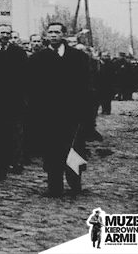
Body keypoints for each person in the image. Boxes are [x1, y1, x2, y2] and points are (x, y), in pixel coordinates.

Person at [28, 22, 90, 197]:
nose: (53, 35)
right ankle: (54, 186)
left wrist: (85, 114)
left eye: (57, 32)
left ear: (64, 34)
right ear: (46, 35)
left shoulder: (78, 57)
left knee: (74, 148)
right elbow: (32, 89)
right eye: (50, 32)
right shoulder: (38, 59)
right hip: (48, 114)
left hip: (73, 113)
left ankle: (75, 182)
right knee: (52, 149)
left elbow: (86, 86)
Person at [0, 24, 29, 179]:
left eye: (7, 32)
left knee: (16, 132)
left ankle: (16, 161)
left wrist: (23, 97)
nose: (5, 35)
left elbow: (24, 75)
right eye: (2, 32)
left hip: (14, 98)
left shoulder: (18, 52)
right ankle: (1, 165)